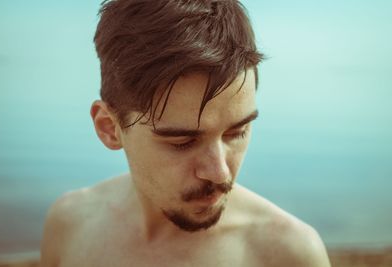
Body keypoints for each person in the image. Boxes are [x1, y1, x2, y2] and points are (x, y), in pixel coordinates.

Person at [41, 0, 331, 266]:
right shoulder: (70, 224)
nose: (220, 174)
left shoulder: (287, 253)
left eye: (237, 132)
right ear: (109, 128)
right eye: (183, 142)